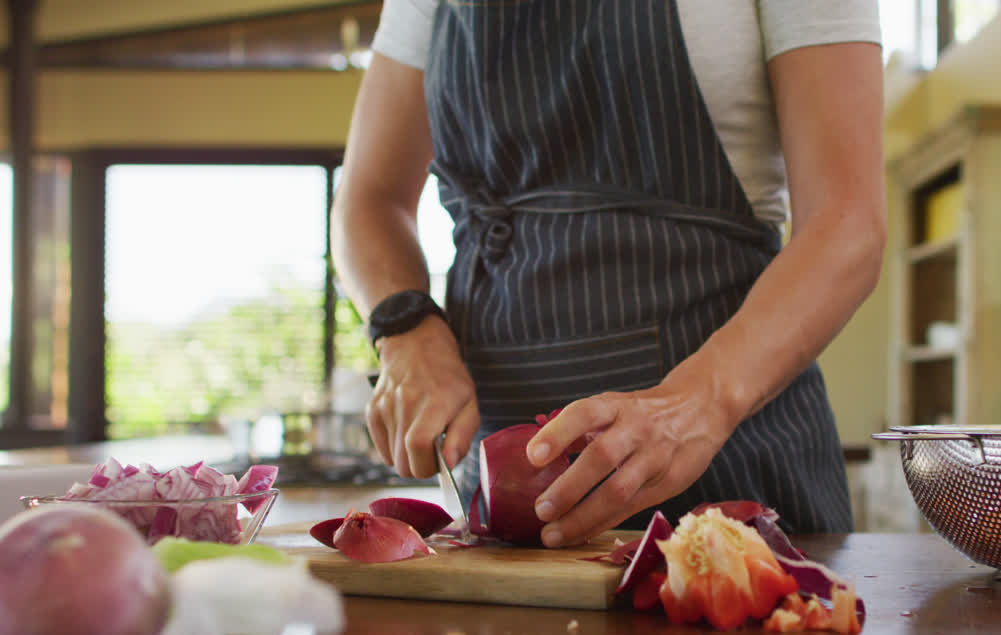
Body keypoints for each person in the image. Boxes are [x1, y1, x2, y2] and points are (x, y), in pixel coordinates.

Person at [331, 0, 886, 547]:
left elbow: (847, 224)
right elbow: (369, 201)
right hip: (502, 493)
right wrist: (406, 329)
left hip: (735, 462)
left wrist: (699, 401)